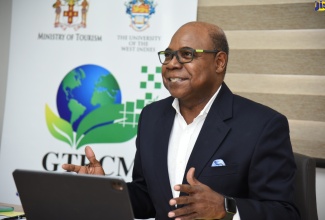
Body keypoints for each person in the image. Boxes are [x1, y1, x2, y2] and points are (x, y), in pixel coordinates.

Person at [62, 21, 300, 220]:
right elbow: (147, 196)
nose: (172, 64)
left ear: (219, 62)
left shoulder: (263, 125)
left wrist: (225, 209)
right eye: (168, 55)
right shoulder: (152, 116)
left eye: (187, 54)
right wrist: (107, 191)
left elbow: (285, 213)